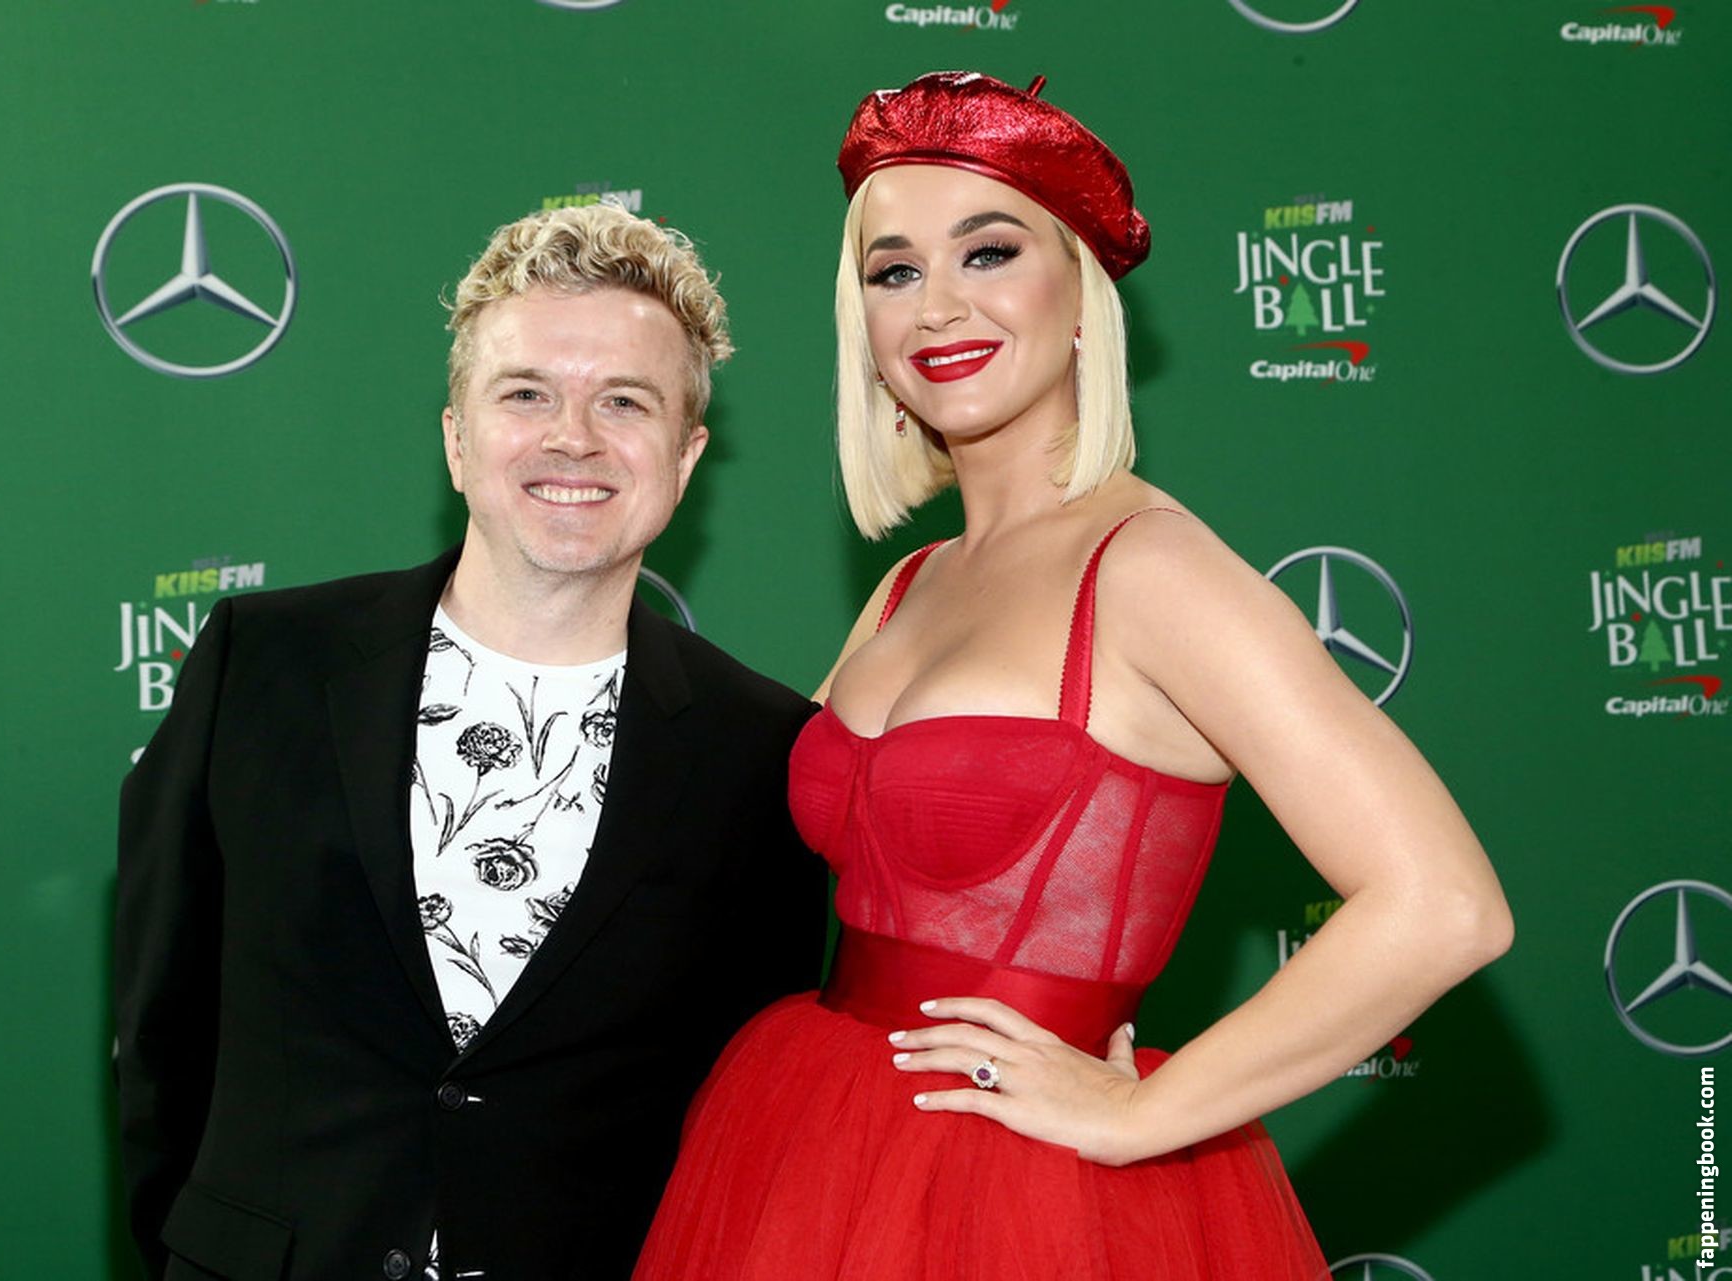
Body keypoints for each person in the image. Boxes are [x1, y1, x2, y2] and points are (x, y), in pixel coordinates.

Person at [635, 71, 1513, 1278]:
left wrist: (1145, 1112)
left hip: (1028, 1194)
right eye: (894, 272)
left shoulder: (1153, 570)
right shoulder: (909, 583)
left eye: (988, 252)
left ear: (1085, 294)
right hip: (812, 1130)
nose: (939, 305)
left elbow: (1445, 905)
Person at [114, 203, 825, 1281]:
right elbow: (159, 1028)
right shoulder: (262, 665)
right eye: (526, 393)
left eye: (623, 401)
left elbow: (750, 1108)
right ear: (456, 438)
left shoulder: (761, 752)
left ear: (685, 458)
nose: (572, 437)